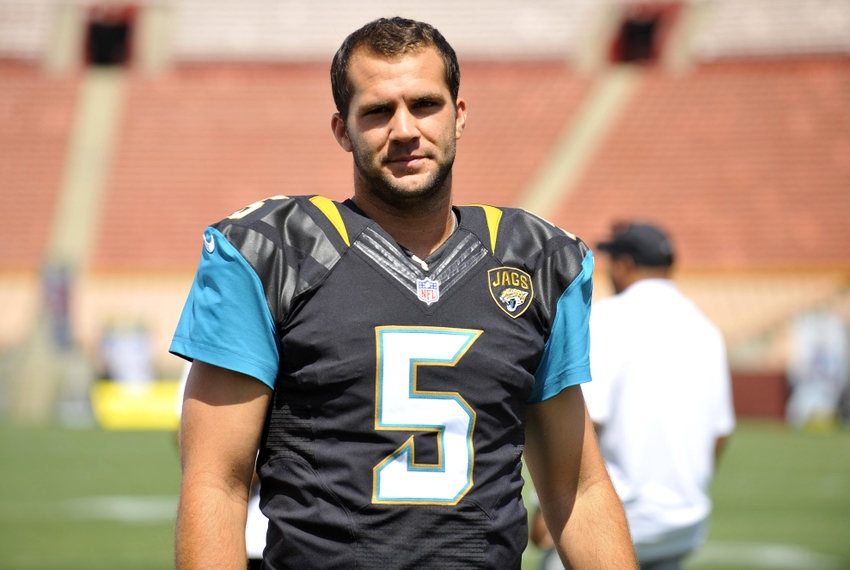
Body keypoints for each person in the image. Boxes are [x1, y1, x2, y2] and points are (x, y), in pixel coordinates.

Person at [170, 17, 636, 570]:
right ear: (342, 130)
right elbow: (216, 483)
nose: (405, 130)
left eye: (424, 104)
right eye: (377, 111)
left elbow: (576, 490)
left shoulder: (533, 261)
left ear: (459, 115)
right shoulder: (275, 252)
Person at [534, 222, 736, 570]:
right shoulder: (707, 330)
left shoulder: (609, 318)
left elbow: (583, 420)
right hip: (684, 522)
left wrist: (547, 506)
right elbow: (720, 433)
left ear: (623, 264)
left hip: (625, 513)